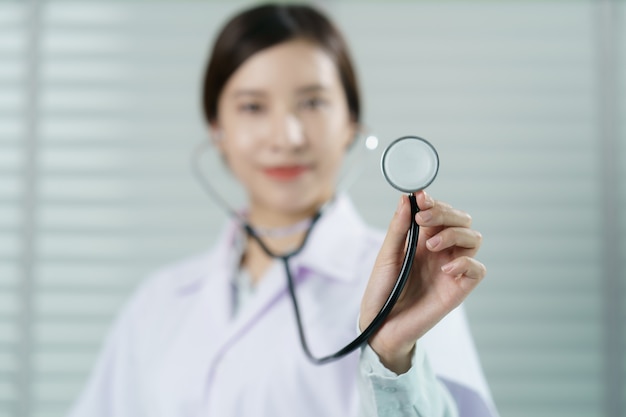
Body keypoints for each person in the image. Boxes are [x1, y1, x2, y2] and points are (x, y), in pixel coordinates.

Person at [68, 3, 498, 417]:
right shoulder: (158, 303)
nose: (287, 136)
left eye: (312, 103)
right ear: (217, 129)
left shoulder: (414, 282)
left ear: (351, 123)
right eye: (252, 106)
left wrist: (392, 357)